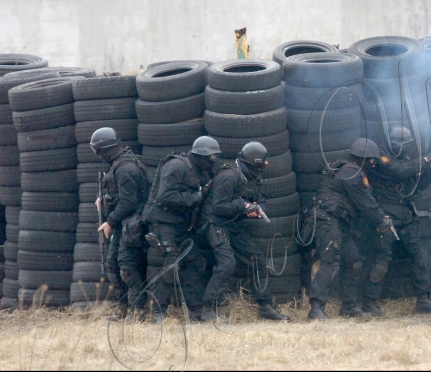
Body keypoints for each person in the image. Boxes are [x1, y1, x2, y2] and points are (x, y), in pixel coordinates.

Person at [197, 142, 289, 322]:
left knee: (257, 258)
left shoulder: (254, 176)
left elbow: (261, 201)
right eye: (261, 164)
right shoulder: (229, 176)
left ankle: (265, 306)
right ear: (253, 163)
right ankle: (208, 309)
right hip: (214, 223)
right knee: (227, 263)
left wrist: (256, 210)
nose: (264, 167)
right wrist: (244, 206)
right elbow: (217, 207)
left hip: (233, 224)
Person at [306, 137, 393, 321]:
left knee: (353, 260)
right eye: (371, 160)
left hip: (335, 222)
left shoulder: (343, 168)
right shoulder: (353, 174)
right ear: (363, 159)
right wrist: (382, 221)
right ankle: (316, 308)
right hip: (329, 222)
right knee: (330, 262)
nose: (373, 164)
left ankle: (349, 306)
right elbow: (367, 203)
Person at [364, 126, 431, 316]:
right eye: (404, 144)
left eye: (409, 144)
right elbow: (399, 172)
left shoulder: (408, 161)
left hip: (406, 216)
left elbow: (418, 185)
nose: (407, 148)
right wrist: (423, 161)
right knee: (382, 260)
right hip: (386, 216)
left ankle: (423, 299)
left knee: (420, 256)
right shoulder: (382, 159)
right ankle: (369, 302)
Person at [141, 136, 220, 322]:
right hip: (164, 222)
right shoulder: (177, 166)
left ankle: (196, 311)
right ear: (201, 156)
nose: (211, 162)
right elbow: (165, 195)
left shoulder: (201, 170)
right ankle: (159, 313)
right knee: (169, 265)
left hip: (182, 225)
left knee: (194, 262)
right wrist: (195, 197)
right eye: (210, 158)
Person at [92, 127, 150, 317]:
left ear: (104, 149)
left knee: (128, 268)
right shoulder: (118, 165)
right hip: (123, 224)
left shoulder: (126, 168)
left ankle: (138, 311)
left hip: (132, 224)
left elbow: (129, 202)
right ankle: (122, 308)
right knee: (113, 267)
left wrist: (109, 221)